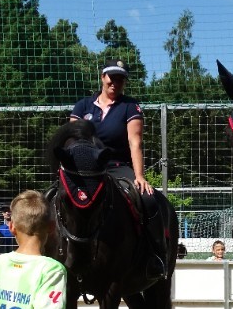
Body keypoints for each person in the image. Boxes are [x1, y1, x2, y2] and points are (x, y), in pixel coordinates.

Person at [70, 58, 166, 280]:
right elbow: (72, 140)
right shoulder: (82, 106)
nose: (115, 82)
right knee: (56, 195)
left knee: (148, 199)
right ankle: (52, 251)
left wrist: (139, 176)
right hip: (85, 168)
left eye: (120, 79)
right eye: (111, 77)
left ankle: (155, 256)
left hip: (117, 167)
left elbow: (135, 141)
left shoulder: (130, 106)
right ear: (102, 77)